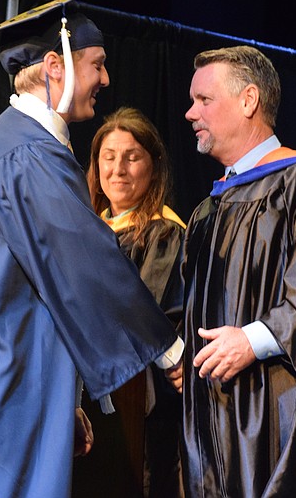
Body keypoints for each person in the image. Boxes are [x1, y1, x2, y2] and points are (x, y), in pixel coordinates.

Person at [0, 0, 183, 498]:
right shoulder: (26, 157)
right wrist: (166, 348)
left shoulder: (11, 148)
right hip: (3, 387)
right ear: (53, 67)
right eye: (97, 65)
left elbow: (34, 286)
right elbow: (85, 266)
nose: (105, 79)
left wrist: (68, 399)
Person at [167, 45, 296, 496]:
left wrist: (252, 338)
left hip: (277, 425)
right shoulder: (207, 211)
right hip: (214, 429)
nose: (189, 113)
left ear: (248, 101)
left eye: (203, 100)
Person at [73, 107, 187, 498]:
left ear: (153, 167)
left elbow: (146, 314)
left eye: (132, 157)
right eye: (109, 157)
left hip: (142, 404)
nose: (118, 168)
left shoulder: (165, 234)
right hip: (90, 399)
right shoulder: (87, 232)